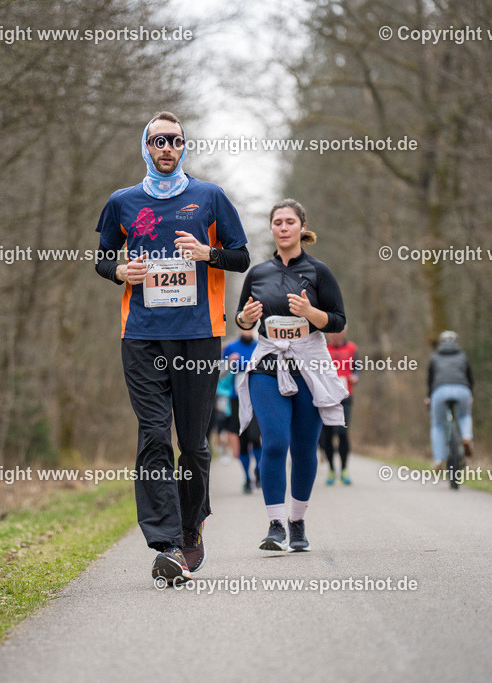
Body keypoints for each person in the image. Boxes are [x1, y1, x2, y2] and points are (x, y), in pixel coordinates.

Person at [94, 112, 250, 584]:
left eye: (176, 140)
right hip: (141, 334)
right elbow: (102, 258)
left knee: (194, 444)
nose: (168, 147)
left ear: (184, 147)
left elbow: (241, 256)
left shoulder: (209, 197)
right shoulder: (122, 203)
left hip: (200, 334)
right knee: (154, 435)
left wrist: (209, 254)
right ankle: (164, 543)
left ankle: (190, 528)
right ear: (146, 146)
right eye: (159, 140)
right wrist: (120, 272)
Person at [234, 198, 348, 552]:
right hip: (268, 365)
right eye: (277, 223)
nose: (283, 228)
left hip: (309, 368)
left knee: (303, 448)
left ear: (302, 227)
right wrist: (247, 319)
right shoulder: (257, 273)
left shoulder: (319, 271)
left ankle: (297, 522)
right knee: (275, 442)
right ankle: (275, 525)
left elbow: (339, 321)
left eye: (289, 222)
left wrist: (310, 311)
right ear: (271, 229)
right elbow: (241, 319)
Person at [427, 330, 474, 471]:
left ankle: (438, 459)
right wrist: (470, 392)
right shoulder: (463, 356)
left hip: (439, 391)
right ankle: (466, 437)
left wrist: (429, 396)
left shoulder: (434, 357)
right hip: (462, 390)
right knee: (464, 415)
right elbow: (470, 378)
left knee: (438, 425)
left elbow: (430, 381)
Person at [222, 329, 262, 493]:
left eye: (249, 326)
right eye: (243, 326)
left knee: (255, 437)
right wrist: (229, 364)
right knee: (243, 440)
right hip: (237, 399)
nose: (246, 329)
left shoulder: (260, 346)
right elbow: (220, 374)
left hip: (256, 399)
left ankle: (259, 470)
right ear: (238, 327)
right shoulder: (231, 347)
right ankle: (247, 478)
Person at [321, 330, 358, 485]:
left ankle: (344, 468)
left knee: (342, 432)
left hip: (345, 396)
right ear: (328, 334)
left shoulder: (351, 348)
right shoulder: (322, 347)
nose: (335, 334)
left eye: (339, 331)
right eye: (332, 332)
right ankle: (331, 469)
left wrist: (356, 376)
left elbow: (357, 367)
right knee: (327, 435)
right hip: (327, 397)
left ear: (345, 331)